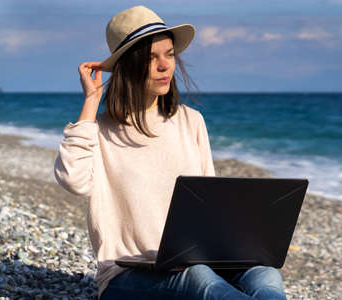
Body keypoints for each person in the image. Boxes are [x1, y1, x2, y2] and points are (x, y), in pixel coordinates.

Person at [54, 5, 286, 300]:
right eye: (152, 58)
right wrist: (91, 101)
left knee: (265, 273)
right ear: (128, 66)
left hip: (195, 260)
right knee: (199, 280)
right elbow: (72, 179)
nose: (165, 66)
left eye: (170, 54)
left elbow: (209, 204)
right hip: (126, 276)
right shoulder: (99, 130)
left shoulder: (191, 121)